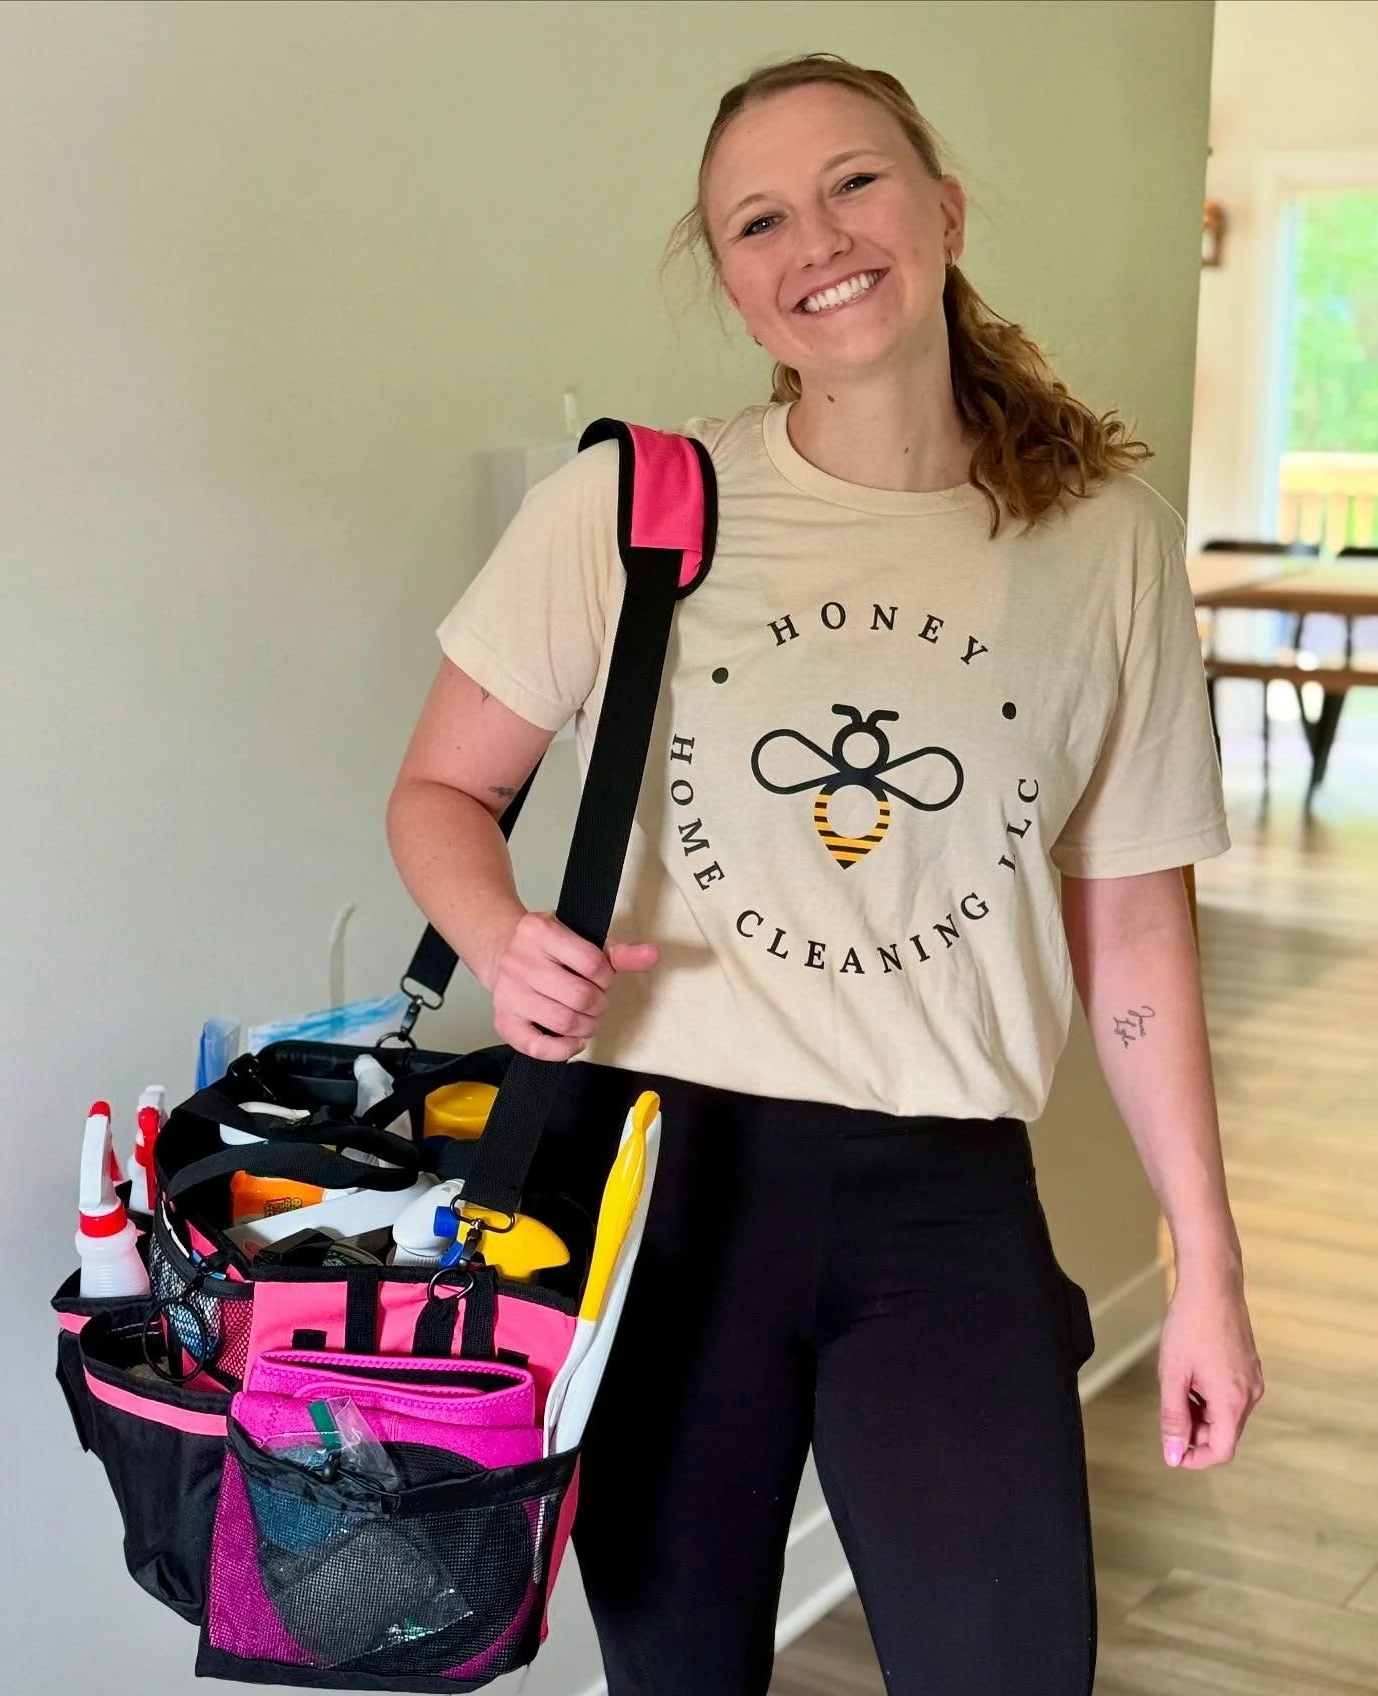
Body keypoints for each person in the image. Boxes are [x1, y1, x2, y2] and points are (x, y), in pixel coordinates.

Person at [386, 52, 1263, 1696]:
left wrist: (1204, 1266)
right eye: (760, 221)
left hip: (948, 1202)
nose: (820, 242)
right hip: (663, 1189)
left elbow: (1139, 939)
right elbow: (442, 790)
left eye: (855, 183)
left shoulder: (1111, 547)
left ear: (944, 209)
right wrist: (498, 937)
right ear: (732, 282)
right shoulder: (633, 511)